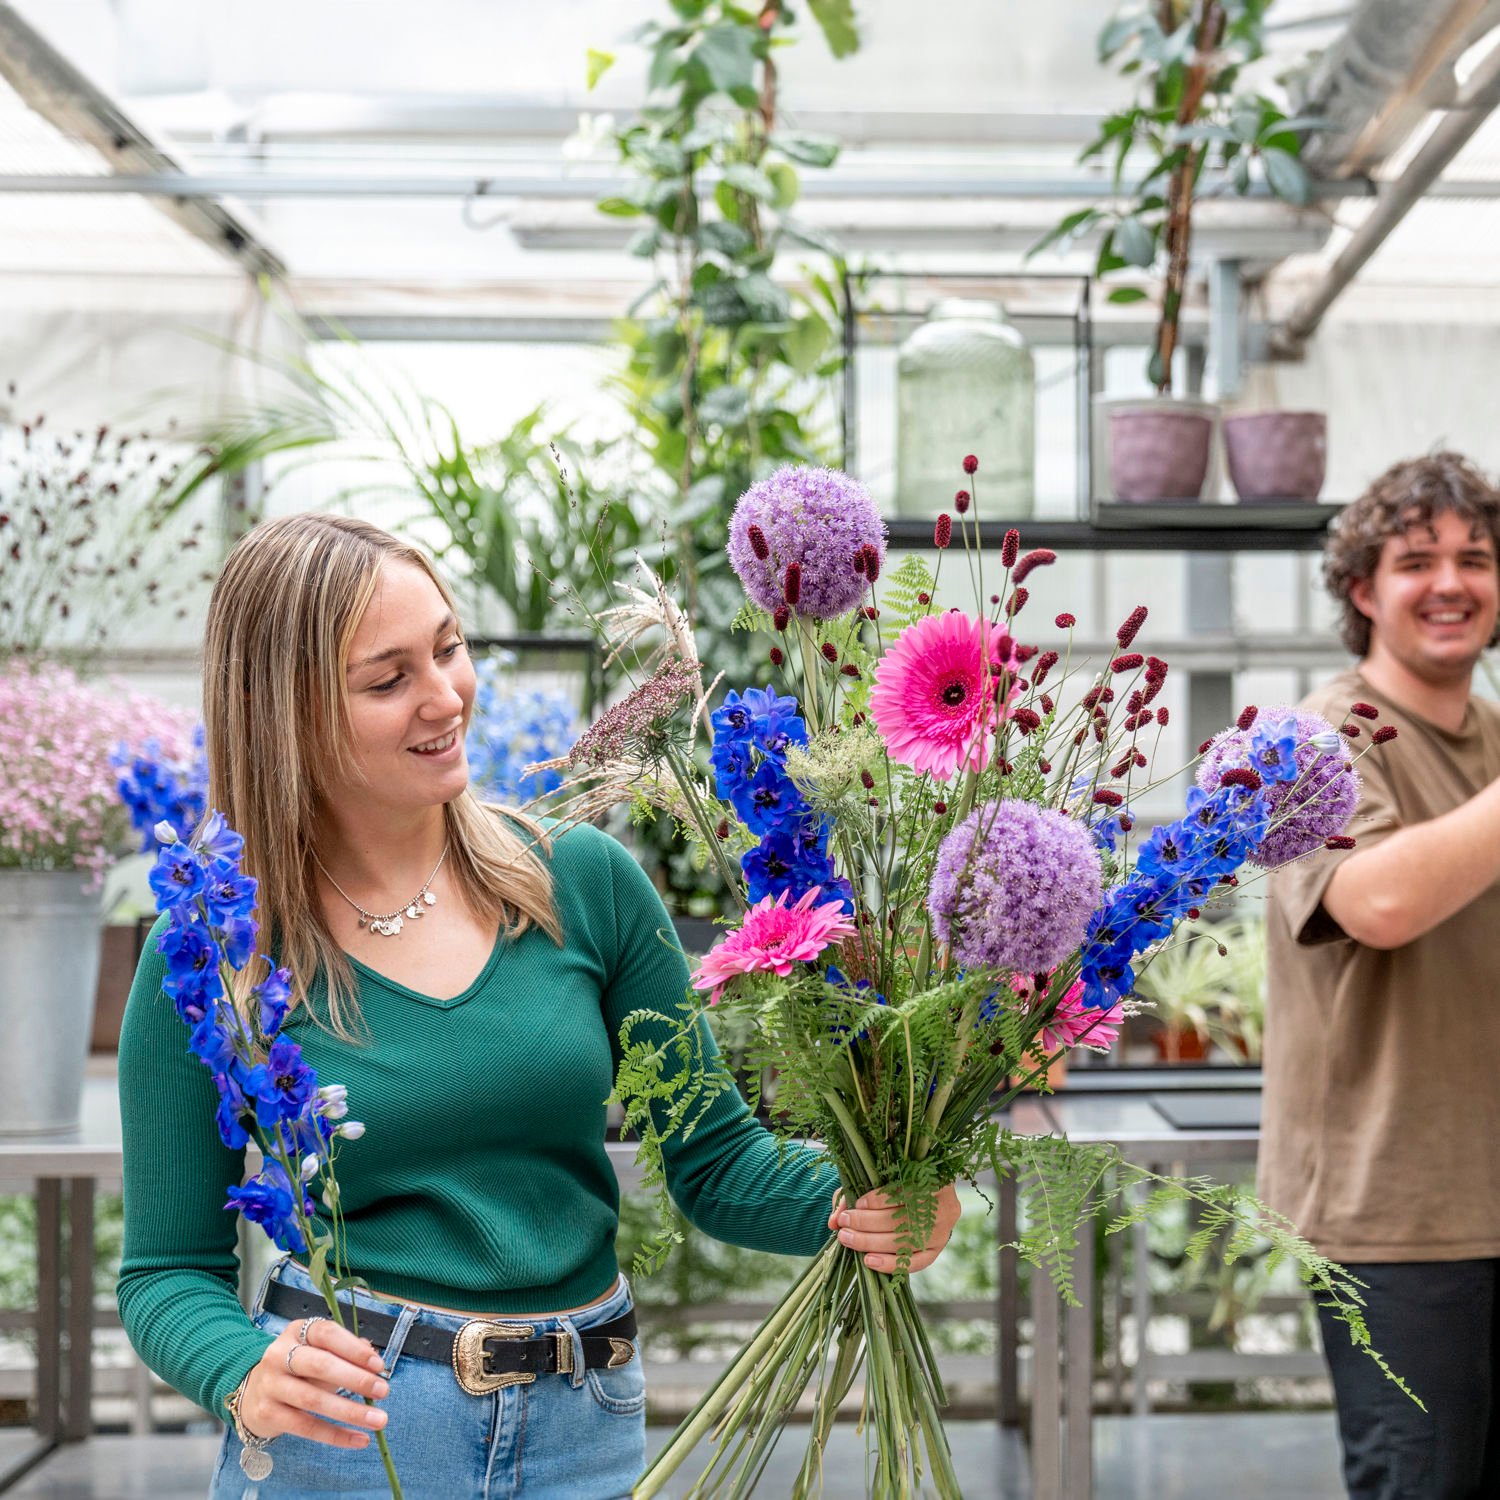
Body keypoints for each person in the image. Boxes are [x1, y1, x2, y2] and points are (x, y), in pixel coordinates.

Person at [116, 513, 960, 1500]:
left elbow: (715, 1158)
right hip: (354, 1441)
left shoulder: (587, 884)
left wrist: (860, 1199)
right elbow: (166, 1269)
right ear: (285, 714)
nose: (446, 698)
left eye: (449, 648)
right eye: (388, 680)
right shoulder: (217, 950)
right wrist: (241, 1369)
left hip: (587, 1426)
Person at [1262, 452, 1500, 1500]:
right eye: (1417, 560)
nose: (1452, 582)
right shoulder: (1315, 741)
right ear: (1363, 590)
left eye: (1476, 558)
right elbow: (1380, 903)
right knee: (1421, 1483)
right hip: (1395, 1210)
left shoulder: (1495, 741)